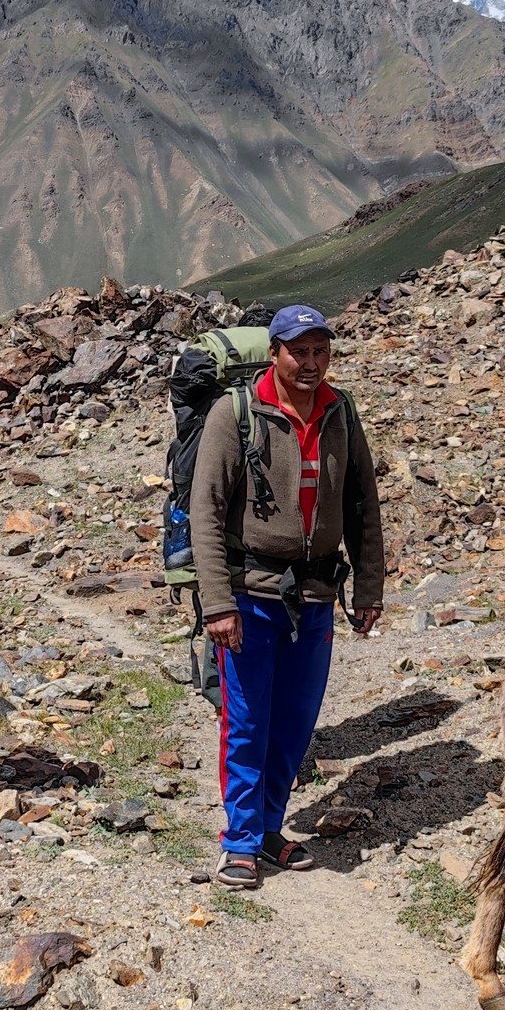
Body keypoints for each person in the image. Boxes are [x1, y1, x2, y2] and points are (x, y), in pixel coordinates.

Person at [187, 302, 385, 888]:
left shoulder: (340, 412)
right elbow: (208, 508)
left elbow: (362, 504)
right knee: (247, 720)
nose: (311, 362)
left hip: (318, 592)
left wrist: (368, 587)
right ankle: (241, 842)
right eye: (299, 351)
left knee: (296, 721)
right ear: (274, 353)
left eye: (321, 351)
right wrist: (217, 603)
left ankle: (270, 830)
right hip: (250, 593)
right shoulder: (236, 412)